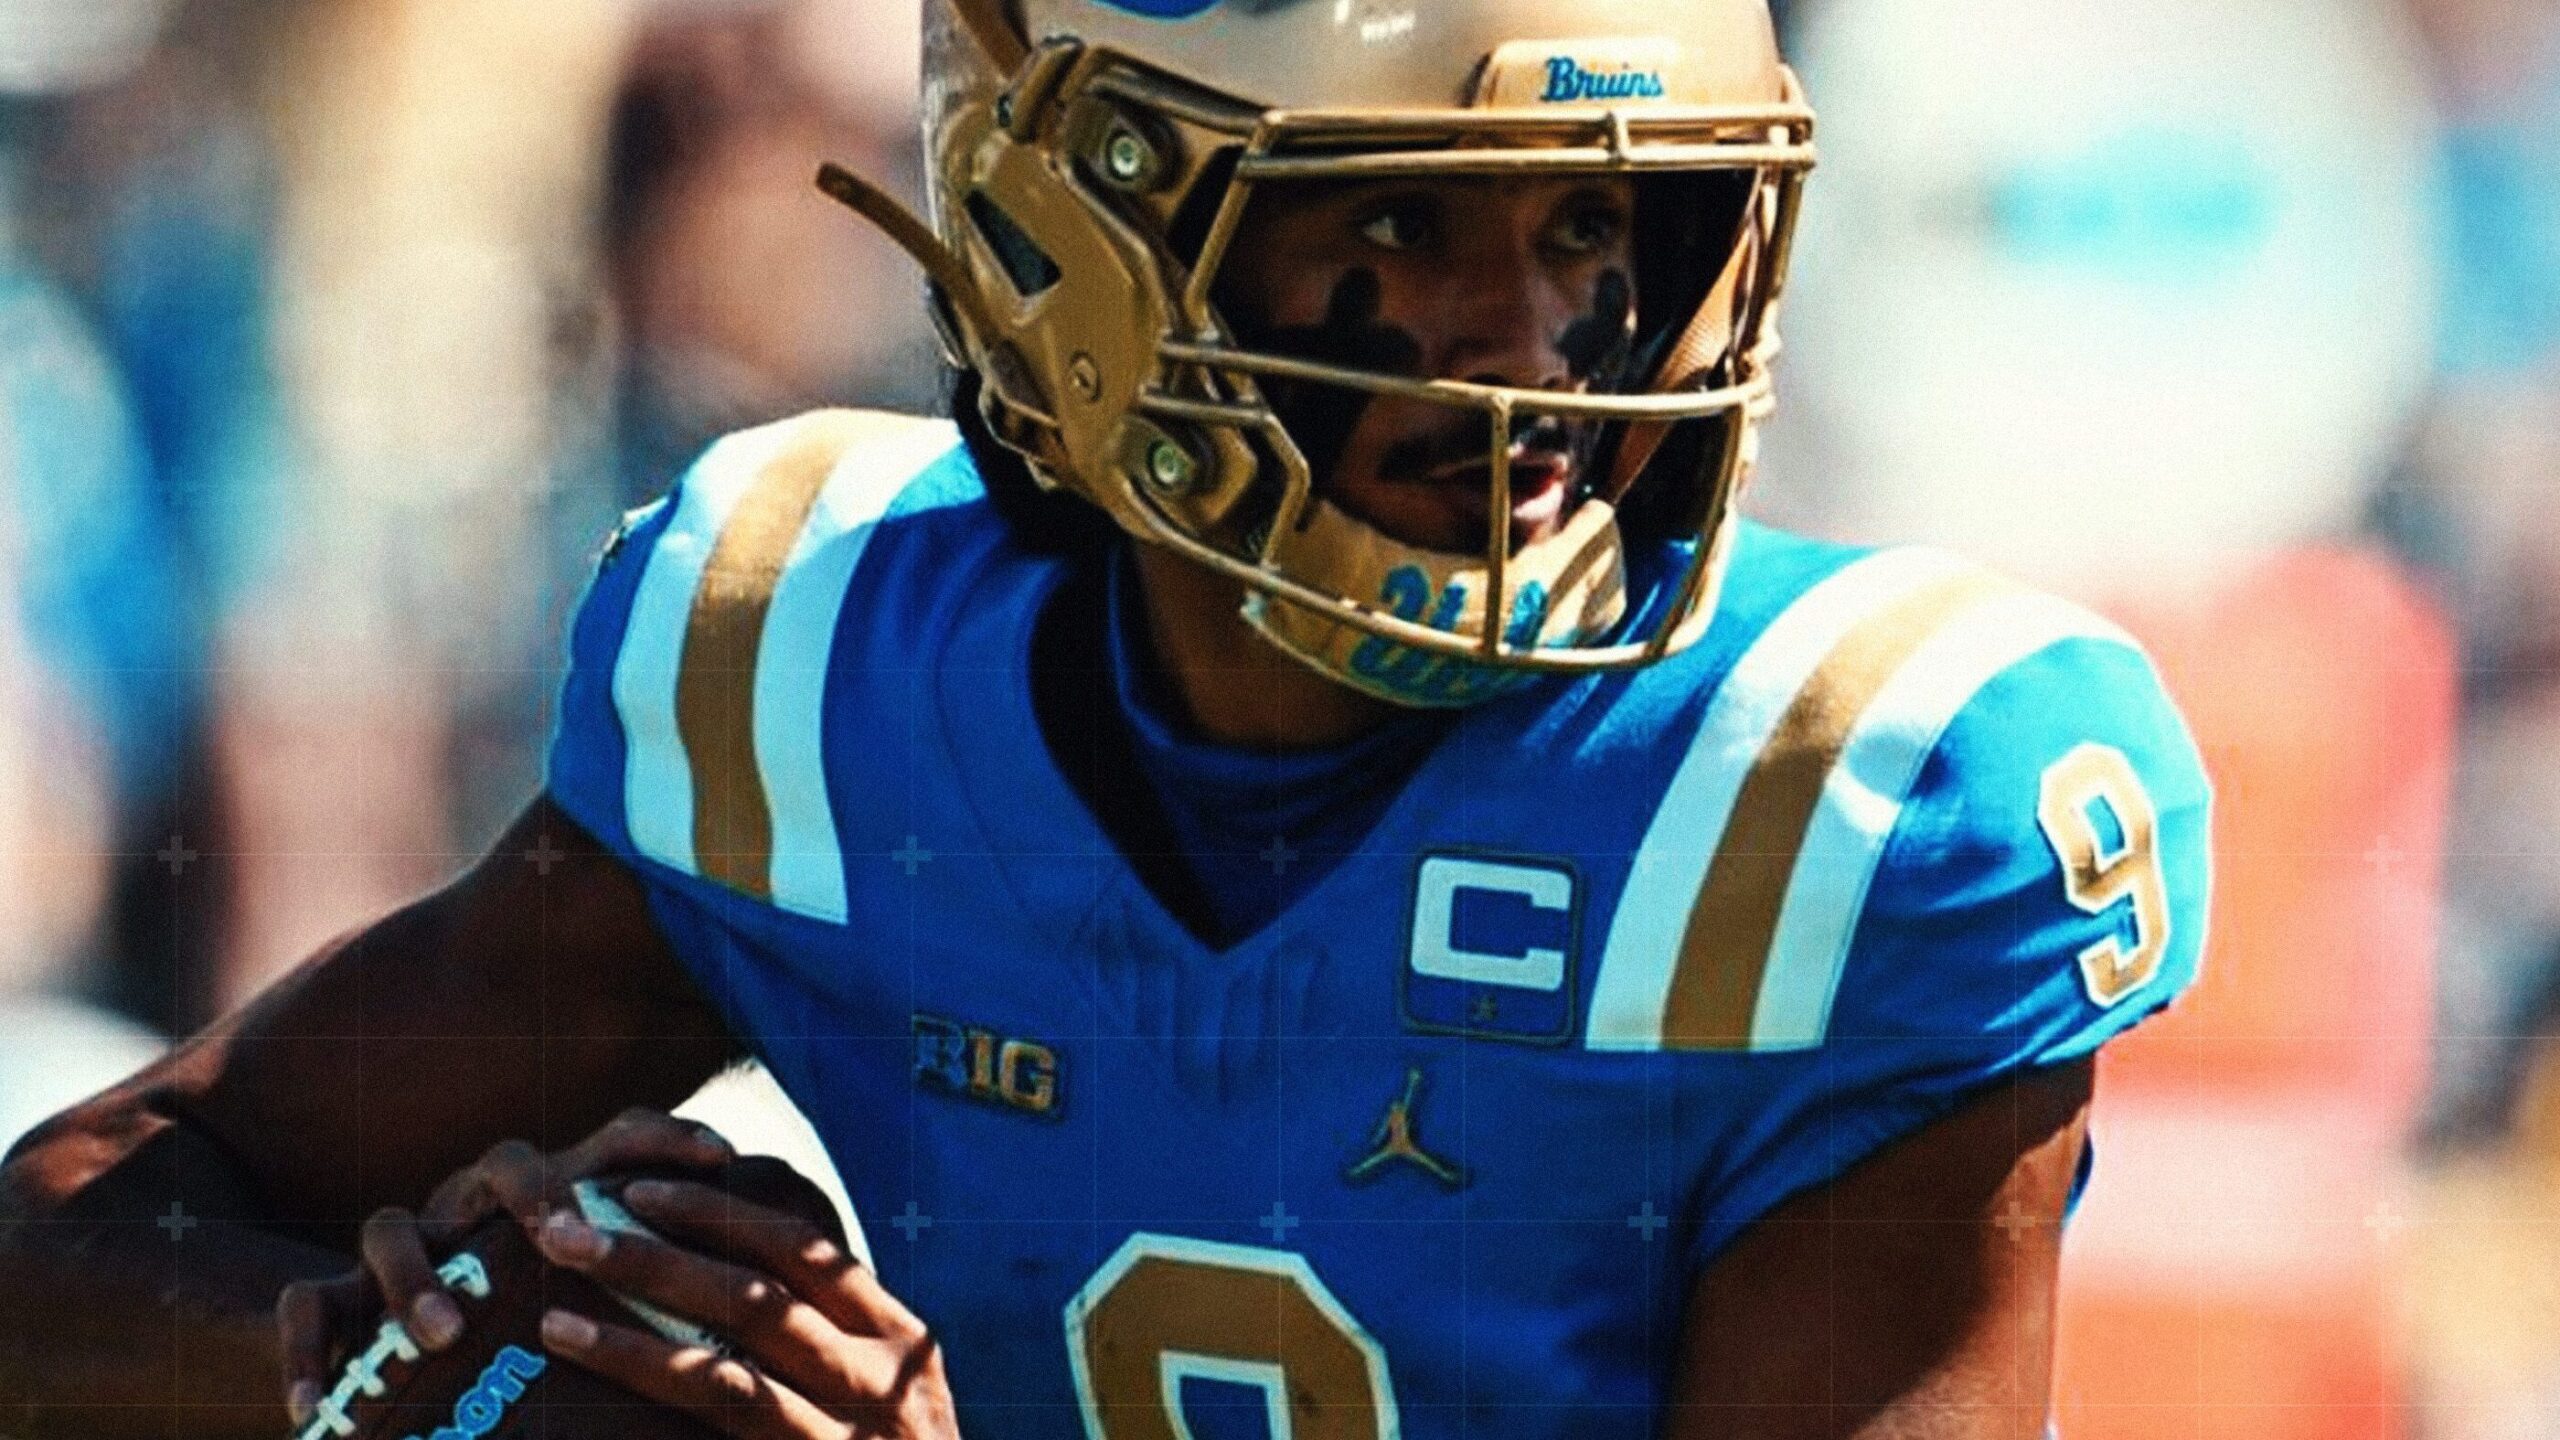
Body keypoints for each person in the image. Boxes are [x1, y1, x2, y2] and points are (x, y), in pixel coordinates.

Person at [0, 2, 2213, 1437]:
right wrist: (398, 1380)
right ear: (1067, 243)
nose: (1534, 340)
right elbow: (61, 1257)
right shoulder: (816, 672)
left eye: (1598, 223)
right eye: (1399, 225)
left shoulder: (1858, 805)